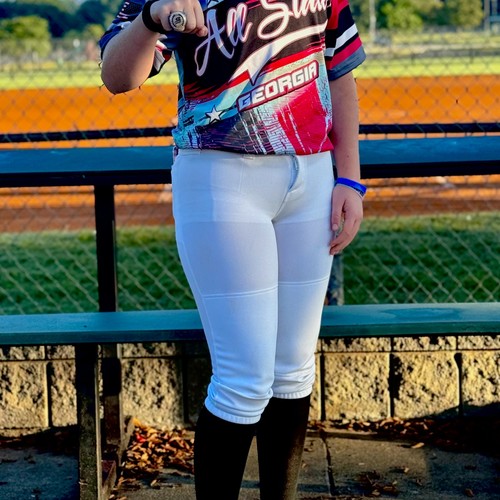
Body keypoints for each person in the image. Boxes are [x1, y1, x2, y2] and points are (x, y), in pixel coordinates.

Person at [99, 0, 366, 498]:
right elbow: (117, 76)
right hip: (222, 175)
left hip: (311, 176)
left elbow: (338, 68)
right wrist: (153, 16)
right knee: (244, 381)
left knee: (293, 370)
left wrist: (349, 177)